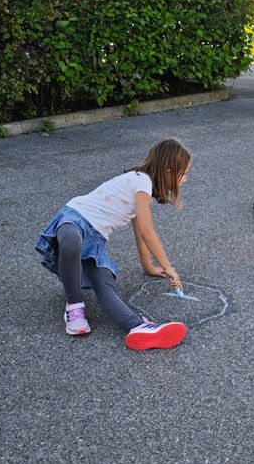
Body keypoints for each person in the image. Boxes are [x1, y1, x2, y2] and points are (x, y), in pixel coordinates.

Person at [36, 138, 191, 349]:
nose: (185, 180)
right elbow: (147, 232)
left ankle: (137, 327)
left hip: (94, 241)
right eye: (184, 173)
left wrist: (149, 267)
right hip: (74, 219)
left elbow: (139, 233)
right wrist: (168, 267)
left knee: (104, 282)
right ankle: (74, 307)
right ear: (169, 171)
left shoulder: (143, 192)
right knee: (71, 241)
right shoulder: (141, 181)